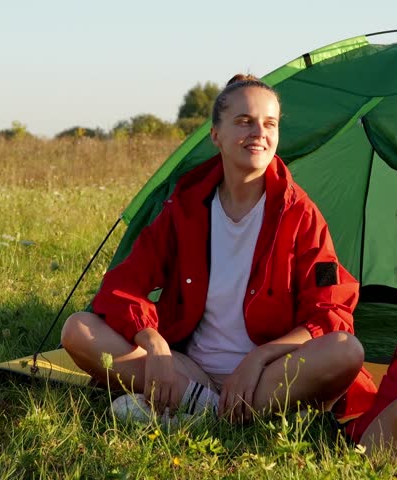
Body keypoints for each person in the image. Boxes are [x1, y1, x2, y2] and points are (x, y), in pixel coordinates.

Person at [61, 74, 376, 424]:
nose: (259, 133)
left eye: (269, 124)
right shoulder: (185, 206)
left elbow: (330, 310)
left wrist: (258, 359)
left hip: (267, 375)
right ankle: (213, 409)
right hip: (188, 368)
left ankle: (188, 410)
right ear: (216, 135)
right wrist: (154, 344)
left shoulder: (299, 213)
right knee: (77, 329)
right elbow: (123, 285)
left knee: (346, 351)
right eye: (244, 122)